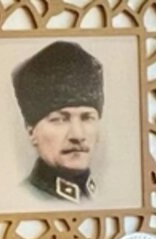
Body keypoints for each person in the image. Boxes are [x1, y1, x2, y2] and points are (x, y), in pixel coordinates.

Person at [12, 40, 104, 204]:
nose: (77, 135)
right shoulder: (19, 201)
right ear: (31, 131)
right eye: (60, 119)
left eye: (87, 117)